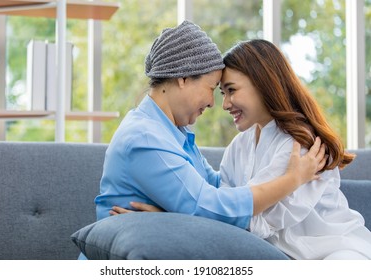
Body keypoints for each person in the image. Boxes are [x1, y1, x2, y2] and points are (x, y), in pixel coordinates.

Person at [96, 21, 325, 231]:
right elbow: (208, 205)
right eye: (212, 88)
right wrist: (292, 179)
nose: (213, 103)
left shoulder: (173, 132)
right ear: (183, 79)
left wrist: (167, 216)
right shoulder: (145, 138)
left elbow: (215, 187)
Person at [215, 39, 371, 259]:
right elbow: (226, 204)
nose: (225, 104)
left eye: (231, 90)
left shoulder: (301, 143)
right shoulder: (238, 147)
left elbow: (256, 219)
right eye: (222, 93)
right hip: (286, 256)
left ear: (262, 83)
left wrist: (228, 214)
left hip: (337, 251)